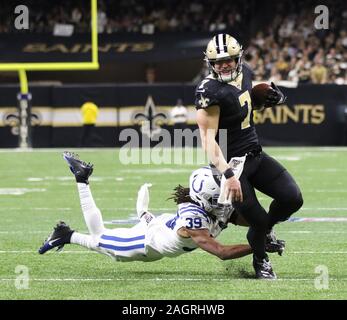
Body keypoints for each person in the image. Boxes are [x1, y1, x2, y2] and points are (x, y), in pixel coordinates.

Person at [195, 34, 303, 279]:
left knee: (292, 198)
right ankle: (260, 260)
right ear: (210, 63)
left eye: (229, 60)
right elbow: (207, 140)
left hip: (255, 154)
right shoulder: (209, 91)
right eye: (218, 61)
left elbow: (246, 108)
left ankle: (262, 232)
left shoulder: (247, 73)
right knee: (257, 219)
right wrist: (228, 175)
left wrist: (267, 101)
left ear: (238, 58)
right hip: (232, 166)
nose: (224, 65)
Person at [38, 152, 257, 262]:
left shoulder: (208, 207)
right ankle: (81, 179)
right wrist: (257, 245)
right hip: (146, 243)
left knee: (99, 240)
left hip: (159, 227)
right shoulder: (194, 220)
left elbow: (239, 218)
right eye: (219, 192)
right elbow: (221, 252)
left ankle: (66, 235)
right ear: (207, 197)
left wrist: (266, 223)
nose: (226, 195)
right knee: (99, 239)